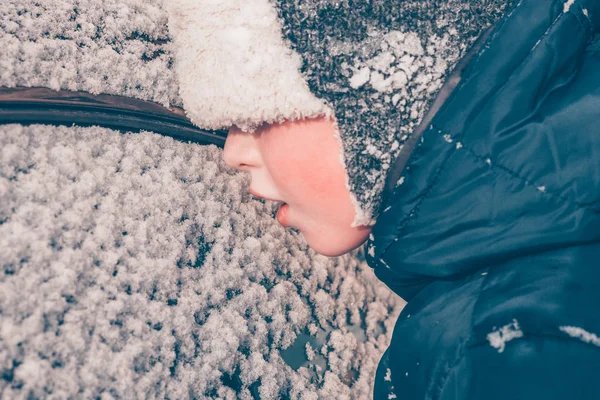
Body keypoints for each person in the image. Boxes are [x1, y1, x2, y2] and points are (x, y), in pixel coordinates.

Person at [168, 0, 600, 398]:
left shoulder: (515, 349)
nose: (232, 153)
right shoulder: (534, 267)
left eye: (257, 115)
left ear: (380, 86)